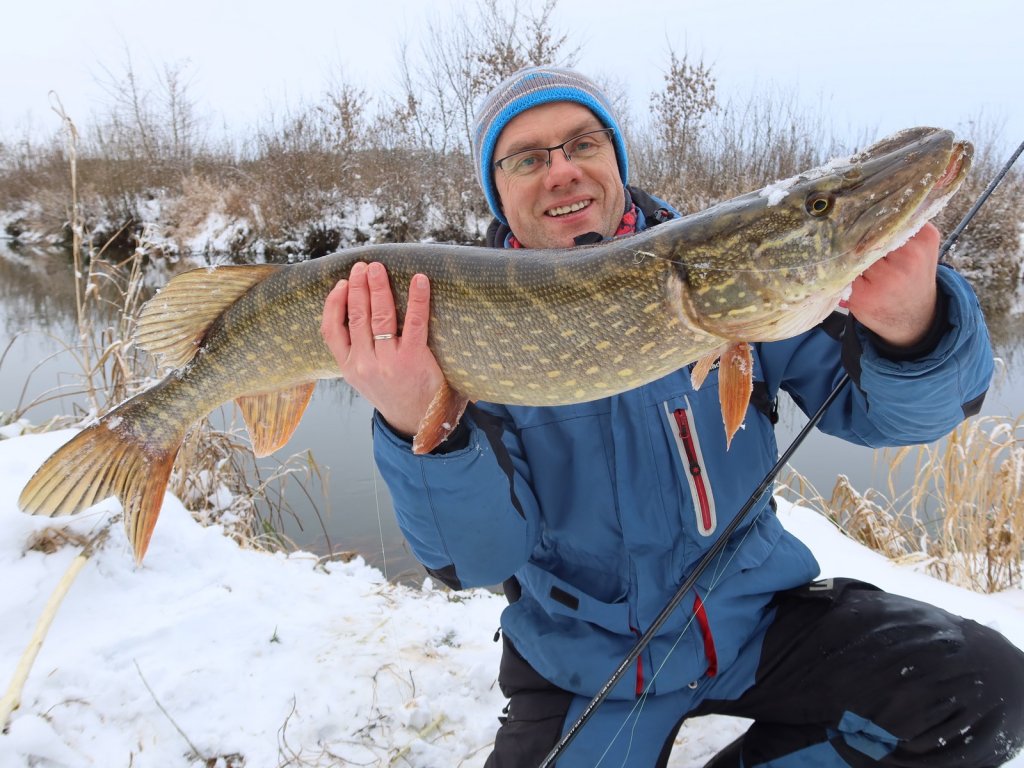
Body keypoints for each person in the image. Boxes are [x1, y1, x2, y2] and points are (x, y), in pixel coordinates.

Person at [321, 66, 1024, 767]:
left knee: (988, 692)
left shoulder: (732, 273)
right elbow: (477, 559)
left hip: (756, 624)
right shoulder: (456, 319)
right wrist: (422, 424)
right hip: (587, 664)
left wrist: (912, 325)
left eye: (583, 144)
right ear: (497, 190)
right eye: (528, 158)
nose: (562, 170)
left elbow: (906, 419)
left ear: (615, 161)